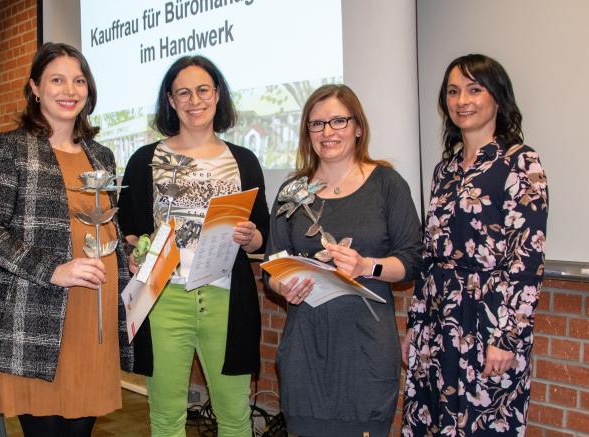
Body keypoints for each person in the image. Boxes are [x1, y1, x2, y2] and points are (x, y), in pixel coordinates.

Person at [0, 42, 134, 437]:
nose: (69, 90)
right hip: (37, 320)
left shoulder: (102, 155)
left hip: (94, 318)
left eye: (79, 80)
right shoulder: (9, 148)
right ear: (35, 89)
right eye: (56, 80)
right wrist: (54, 270)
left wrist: (130, 256)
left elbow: (106, 225)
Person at [117, 55, 269, 437]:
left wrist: (251, 238)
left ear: (217, 95)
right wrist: (134, 253)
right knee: (166, 417)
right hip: (164, 299)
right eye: (182, 92)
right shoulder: (144, 161)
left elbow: (262, 233)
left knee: (234, 416)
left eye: (203, 90)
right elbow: (129, 231)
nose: (194, 100)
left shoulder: (244, 160)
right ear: (170, 100)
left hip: (226, 301)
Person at [402, 54, 548, 436]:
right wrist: (415, 327)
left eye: (473, 89)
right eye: (453, 91)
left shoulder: (521, 163)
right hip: (437, 320)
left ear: (497, 98)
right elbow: (430, 254)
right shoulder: (445, 169)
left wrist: (507, 339)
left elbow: (526, 262)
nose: (461, 100)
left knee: (479, 425)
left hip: (488, 322)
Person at [265, 84, 422, 437]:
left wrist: (367, 266)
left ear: (358, 126)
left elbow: (411, 261)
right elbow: (273, 267)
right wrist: (282, 285)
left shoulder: (387, 184)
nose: (328, 132)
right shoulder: (292, 192)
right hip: (305, 351)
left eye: (338, 120)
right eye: (317, 124)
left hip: (364, 352)